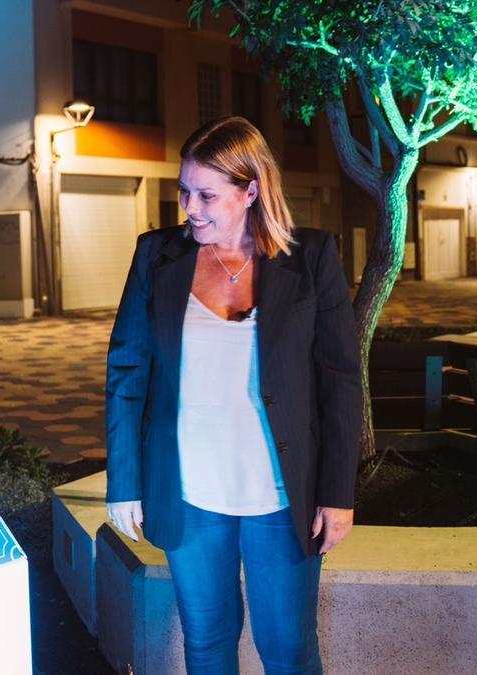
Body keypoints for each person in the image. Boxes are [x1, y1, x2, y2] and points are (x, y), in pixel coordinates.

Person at [104, 116, 362, 674]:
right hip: (190, 492)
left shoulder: (311, 257)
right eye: (183, 191)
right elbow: (127, 373)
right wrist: (123, 483)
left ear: (250, 190)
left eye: (205, 195)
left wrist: (338, 493)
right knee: (207, 644)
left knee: (289, 651)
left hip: (281, 496)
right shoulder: (157, 256)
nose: (189, 208)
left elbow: (340, 380)